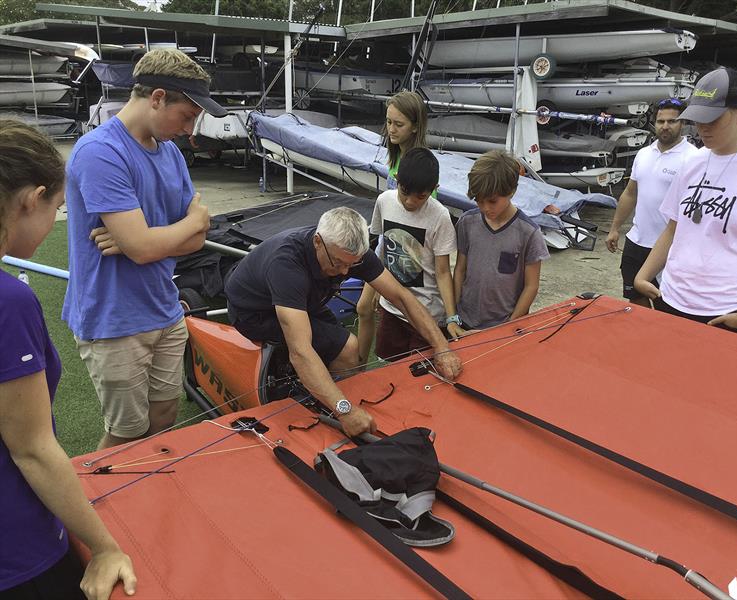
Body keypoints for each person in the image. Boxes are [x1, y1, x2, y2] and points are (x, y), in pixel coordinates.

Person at [0, 119, 136, 599]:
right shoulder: (9, 301)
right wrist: (103, 547)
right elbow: (31, 448)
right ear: (30, 200)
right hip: (17, 551)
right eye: (57, 209)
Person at [63, 48, 223, 449]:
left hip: (164, 309)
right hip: (114, 319)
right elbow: (156, 243)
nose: (190, 130)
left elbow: (197, 239)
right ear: (156, 98)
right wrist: (181, 226)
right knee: (126, 434)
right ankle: (97, 506)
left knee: (165, 416)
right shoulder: (101, 152)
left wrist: (148, 238)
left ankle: (151, 500)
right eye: (187, 115)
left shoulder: (169, 152)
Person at [224, 207, 463, 437]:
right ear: (318, 241)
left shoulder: (349, 253)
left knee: (346, 350)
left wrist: (441, 347)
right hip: (255, 312)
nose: (344, 272)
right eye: (338, 263)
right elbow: (301, 351)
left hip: (305, 300)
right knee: (347, 350)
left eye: (352, 264)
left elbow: (401, 297)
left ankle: (331, 398)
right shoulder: (287, 265)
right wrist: (344, 410)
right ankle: (335, 411)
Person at [634, 67, 737, 342]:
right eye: (698, 120)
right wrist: (645, 275)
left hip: (730, 312)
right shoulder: (693, 162)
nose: (703, 128)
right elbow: (674, 228)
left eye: (712, 119)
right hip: (673, 300)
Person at [356, 148, 460, 363]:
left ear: (434, 189)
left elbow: (442, 272)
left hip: (428, 312)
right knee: (388, 367)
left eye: (421, 196)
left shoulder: (440, 217)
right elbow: (382, 247)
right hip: (391, 308)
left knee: (421, 375)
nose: (411, 201)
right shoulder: (384, 201)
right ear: (396, 179)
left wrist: (451, 317)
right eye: (405, 192)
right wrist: (377, 288)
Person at [605, 98, 700, 307]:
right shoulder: (644, 154)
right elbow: (630, 193)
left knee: (668, 308)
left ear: (682, 123)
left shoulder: (694, 159)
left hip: (670, 248)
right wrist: (615, 229)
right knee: (636, 303)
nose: (665, 126)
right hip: (636, 242)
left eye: (672, 121)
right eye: (660, 121)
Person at [453, 150, 549, 330]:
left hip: (503, 325)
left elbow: (531, 286)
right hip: (464, 320)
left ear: (512, 190)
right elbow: (460, 269)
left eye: (492, 201)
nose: (485, 208)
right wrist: (453, 314)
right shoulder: (467, 222)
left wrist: (511, 324)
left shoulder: (528, 233)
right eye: (479, 201)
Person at [384, 90, 428, 189]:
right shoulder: (397, 155)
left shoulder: (422, 167)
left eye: (399, 124)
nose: (391, 130)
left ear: (415, 127)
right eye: (389, 122)